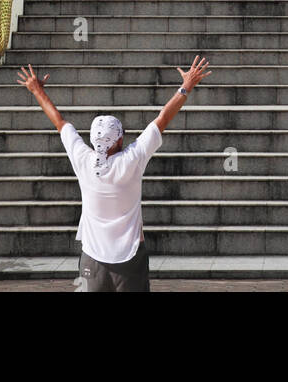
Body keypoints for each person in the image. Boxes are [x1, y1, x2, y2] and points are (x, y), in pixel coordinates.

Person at [16, 54, 212, 293]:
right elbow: (162, 119)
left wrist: (36, 90)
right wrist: (186, 86)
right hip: (130, 259)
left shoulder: (83, 159)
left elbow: (59, 122)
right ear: (119, 140)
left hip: (92, 258)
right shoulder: (132, 159)